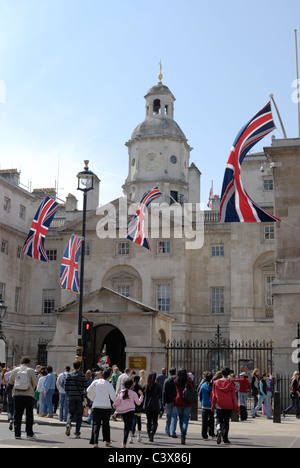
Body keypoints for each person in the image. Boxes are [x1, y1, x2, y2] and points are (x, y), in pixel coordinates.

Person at [9, 356, 38, 440]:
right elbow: (35, 383)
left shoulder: (15, 370)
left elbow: (11, 381)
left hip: (17, 394)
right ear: (28, 363)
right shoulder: (31, 370)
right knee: (29, 414)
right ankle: (29, 433)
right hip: (28, 394)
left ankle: (17, 433)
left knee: (17, 414)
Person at [87, 367, 116, 448]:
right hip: (106, 406)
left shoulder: (95, 382)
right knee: (106, 424)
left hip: (96, 405)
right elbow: (113, 397)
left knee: (96, 424)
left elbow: (88, 390)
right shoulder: (109, 385)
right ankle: (107, 440)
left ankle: (95, 442)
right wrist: (116, 403)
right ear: (109, 376)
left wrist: (93, 397)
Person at [211, 367, 240, 445]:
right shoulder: (231, 383)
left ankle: (219, 431)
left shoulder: (216, 382)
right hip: (228, 404)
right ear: (228, 374)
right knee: (226, 421)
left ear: (222, 374)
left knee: (219, 420)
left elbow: (213, 395)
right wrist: (237, 407)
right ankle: (225, 438)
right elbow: (234, 396)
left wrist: (213, 405)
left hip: (219, 404)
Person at [113, 378, 143, 448]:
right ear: (131, 385)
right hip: (131, 411)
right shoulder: (133, 393)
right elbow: (138, 403)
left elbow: (117, 402)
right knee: (127, 426)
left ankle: (124, 442)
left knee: (126, 426)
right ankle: (124, 443)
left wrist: (114, 406)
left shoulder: (121, 392)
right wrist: (141, 396)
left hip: (123, 411)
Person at [65, 361, 88, 438]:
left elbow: (66, 387)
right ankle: (77, 432)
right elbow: (86, 385)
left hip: (71, 397)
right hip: (79, 397)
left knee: (70, 412)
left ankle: (68, 424)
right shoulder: (82, 375)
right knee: (79, 415)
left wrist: (69, 394)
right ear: (80, 367)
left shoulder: (69, 375)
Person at [172, 368, 195, 445]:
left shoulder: (176, 381)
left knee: (180, 418)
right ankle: (183, 433)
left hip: (178, 400)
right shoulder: (188, 381)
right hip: (187, 401)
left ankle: (182, 432)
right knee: (186, 418)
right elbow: (192, 390)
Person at [144, 372, 162, 442]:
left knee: (148, 421)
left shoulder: (146, 385)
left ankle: (149, 434)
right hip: (155, 405)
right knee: (155, 421)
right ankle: (152, 432)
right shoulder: (158, 386)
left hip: (148, 405)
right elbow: (161, 396)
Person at [199, 371, 215, 440]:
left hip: (205, 404)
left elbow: (200, 395)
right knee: (211, 420)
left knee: (204, 421)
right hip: (211, 405)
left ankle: (204, 435)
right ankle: (211, 433)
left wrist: (201, 401)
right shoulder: (214, 386)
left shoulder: (203, 386)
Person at [162, 367, 177, 438]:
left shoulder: (167, 380)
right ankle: (172, 431)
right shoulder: (177, 380)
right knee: (174, 417)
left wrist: (163, 403)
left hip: (168, 401)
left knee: (168, 416)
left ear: (169, 372)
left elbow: (164, 392)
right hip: (175, 400)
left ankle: (168, 430)